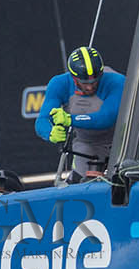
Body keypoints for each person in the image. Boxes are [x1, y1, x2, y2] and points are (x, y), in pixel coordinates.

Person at [36, 45, 124, 177]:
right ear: (73, 77)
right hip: (88, 143)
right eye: (84, 83)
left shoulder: (117, 81)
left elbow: (107, 117)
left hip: (123, 140)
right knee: (83, 182)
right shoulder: (59, 84)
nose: (90, 86)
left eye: (95, 82)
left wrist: (69, 119)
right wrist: (50, 132)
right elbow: (42, 120)